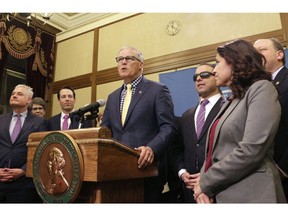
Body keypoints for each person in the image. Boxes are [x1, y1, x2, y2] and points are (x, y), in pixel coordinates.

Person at [193, 39, 286, 203]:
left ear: (235, 62)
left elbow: (252, 148)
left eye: (217, 63)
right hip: (225, 192)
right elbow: (214, 153)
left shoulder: (262, 88)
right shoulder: (232, 99)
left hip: (254, 193)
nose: (214, 70)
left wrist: (206, 182)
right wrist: (203, 181)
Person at [101, 46, 177, 203]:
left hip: (146, 171)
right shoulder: (112, 97)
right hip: (116, 173)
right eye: (119, 59)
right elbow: (106, 132)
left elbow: (168, 127)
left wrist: (151, 148)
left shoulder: (157, 90)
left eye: (128, 59)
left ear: (141, 64)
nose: (123, 62)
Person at [171, 63, 224, 203]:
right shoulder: (187, 115)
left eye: (204, 75)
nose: (199, 79)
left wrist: (209, 175)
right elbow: (177, 149)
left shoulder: (228, 108)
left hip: (220, 188)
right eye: (196, 77)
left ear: (216, 77)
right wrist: (182, 172)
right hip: (190, 190)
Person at [253, 38, 288, 201]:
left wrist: (282, 169)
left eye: (262, 50)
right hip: (264, 176)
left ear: (279, 54)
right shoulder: (255, 88)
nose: (256, 55)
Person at [0, 84, 47, 203]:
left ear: (29, 100)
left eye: (19, 94)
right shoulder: (1, 119)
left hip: (24, 185)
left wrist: (23, 170)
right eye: (13, 94)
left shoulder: (39, 123)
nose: (14, 96)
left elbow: (41, 151)